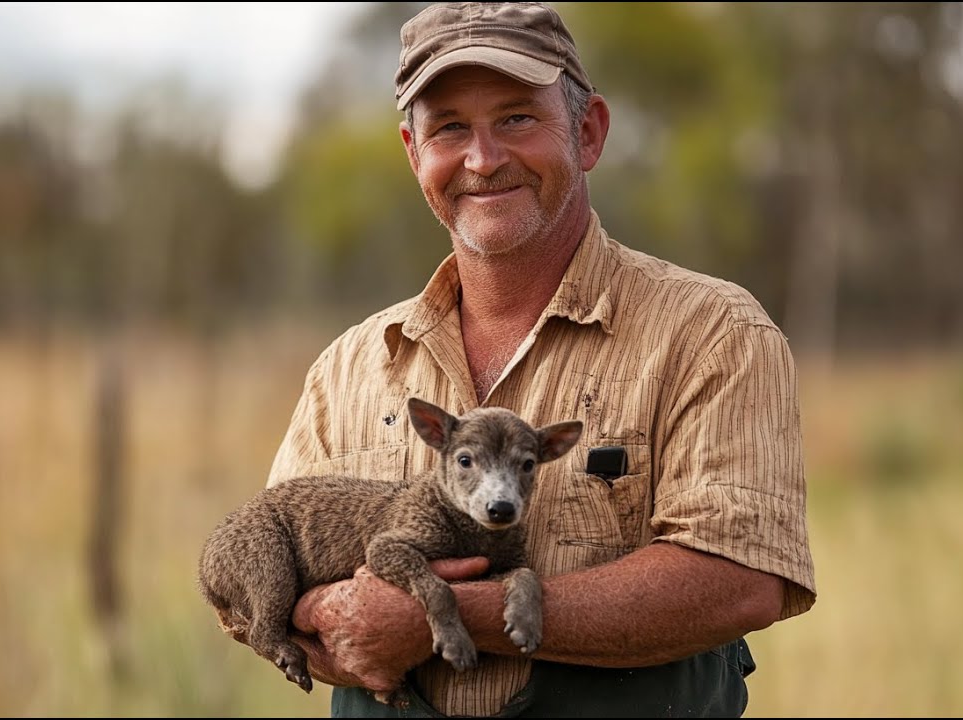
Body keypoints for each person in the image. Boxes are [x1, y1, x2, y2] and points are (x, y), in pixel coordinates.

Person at [263, 2, 816, 717]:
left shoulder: (713, 334)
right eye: (450, 127)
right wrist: (336, 616)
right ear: (414, 153)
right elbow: (276, 568)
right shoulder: (352, 365)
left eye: (518, 118)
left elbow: (741, 579)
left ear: (587, 133)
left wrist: (449, 615)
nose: (484, 158)